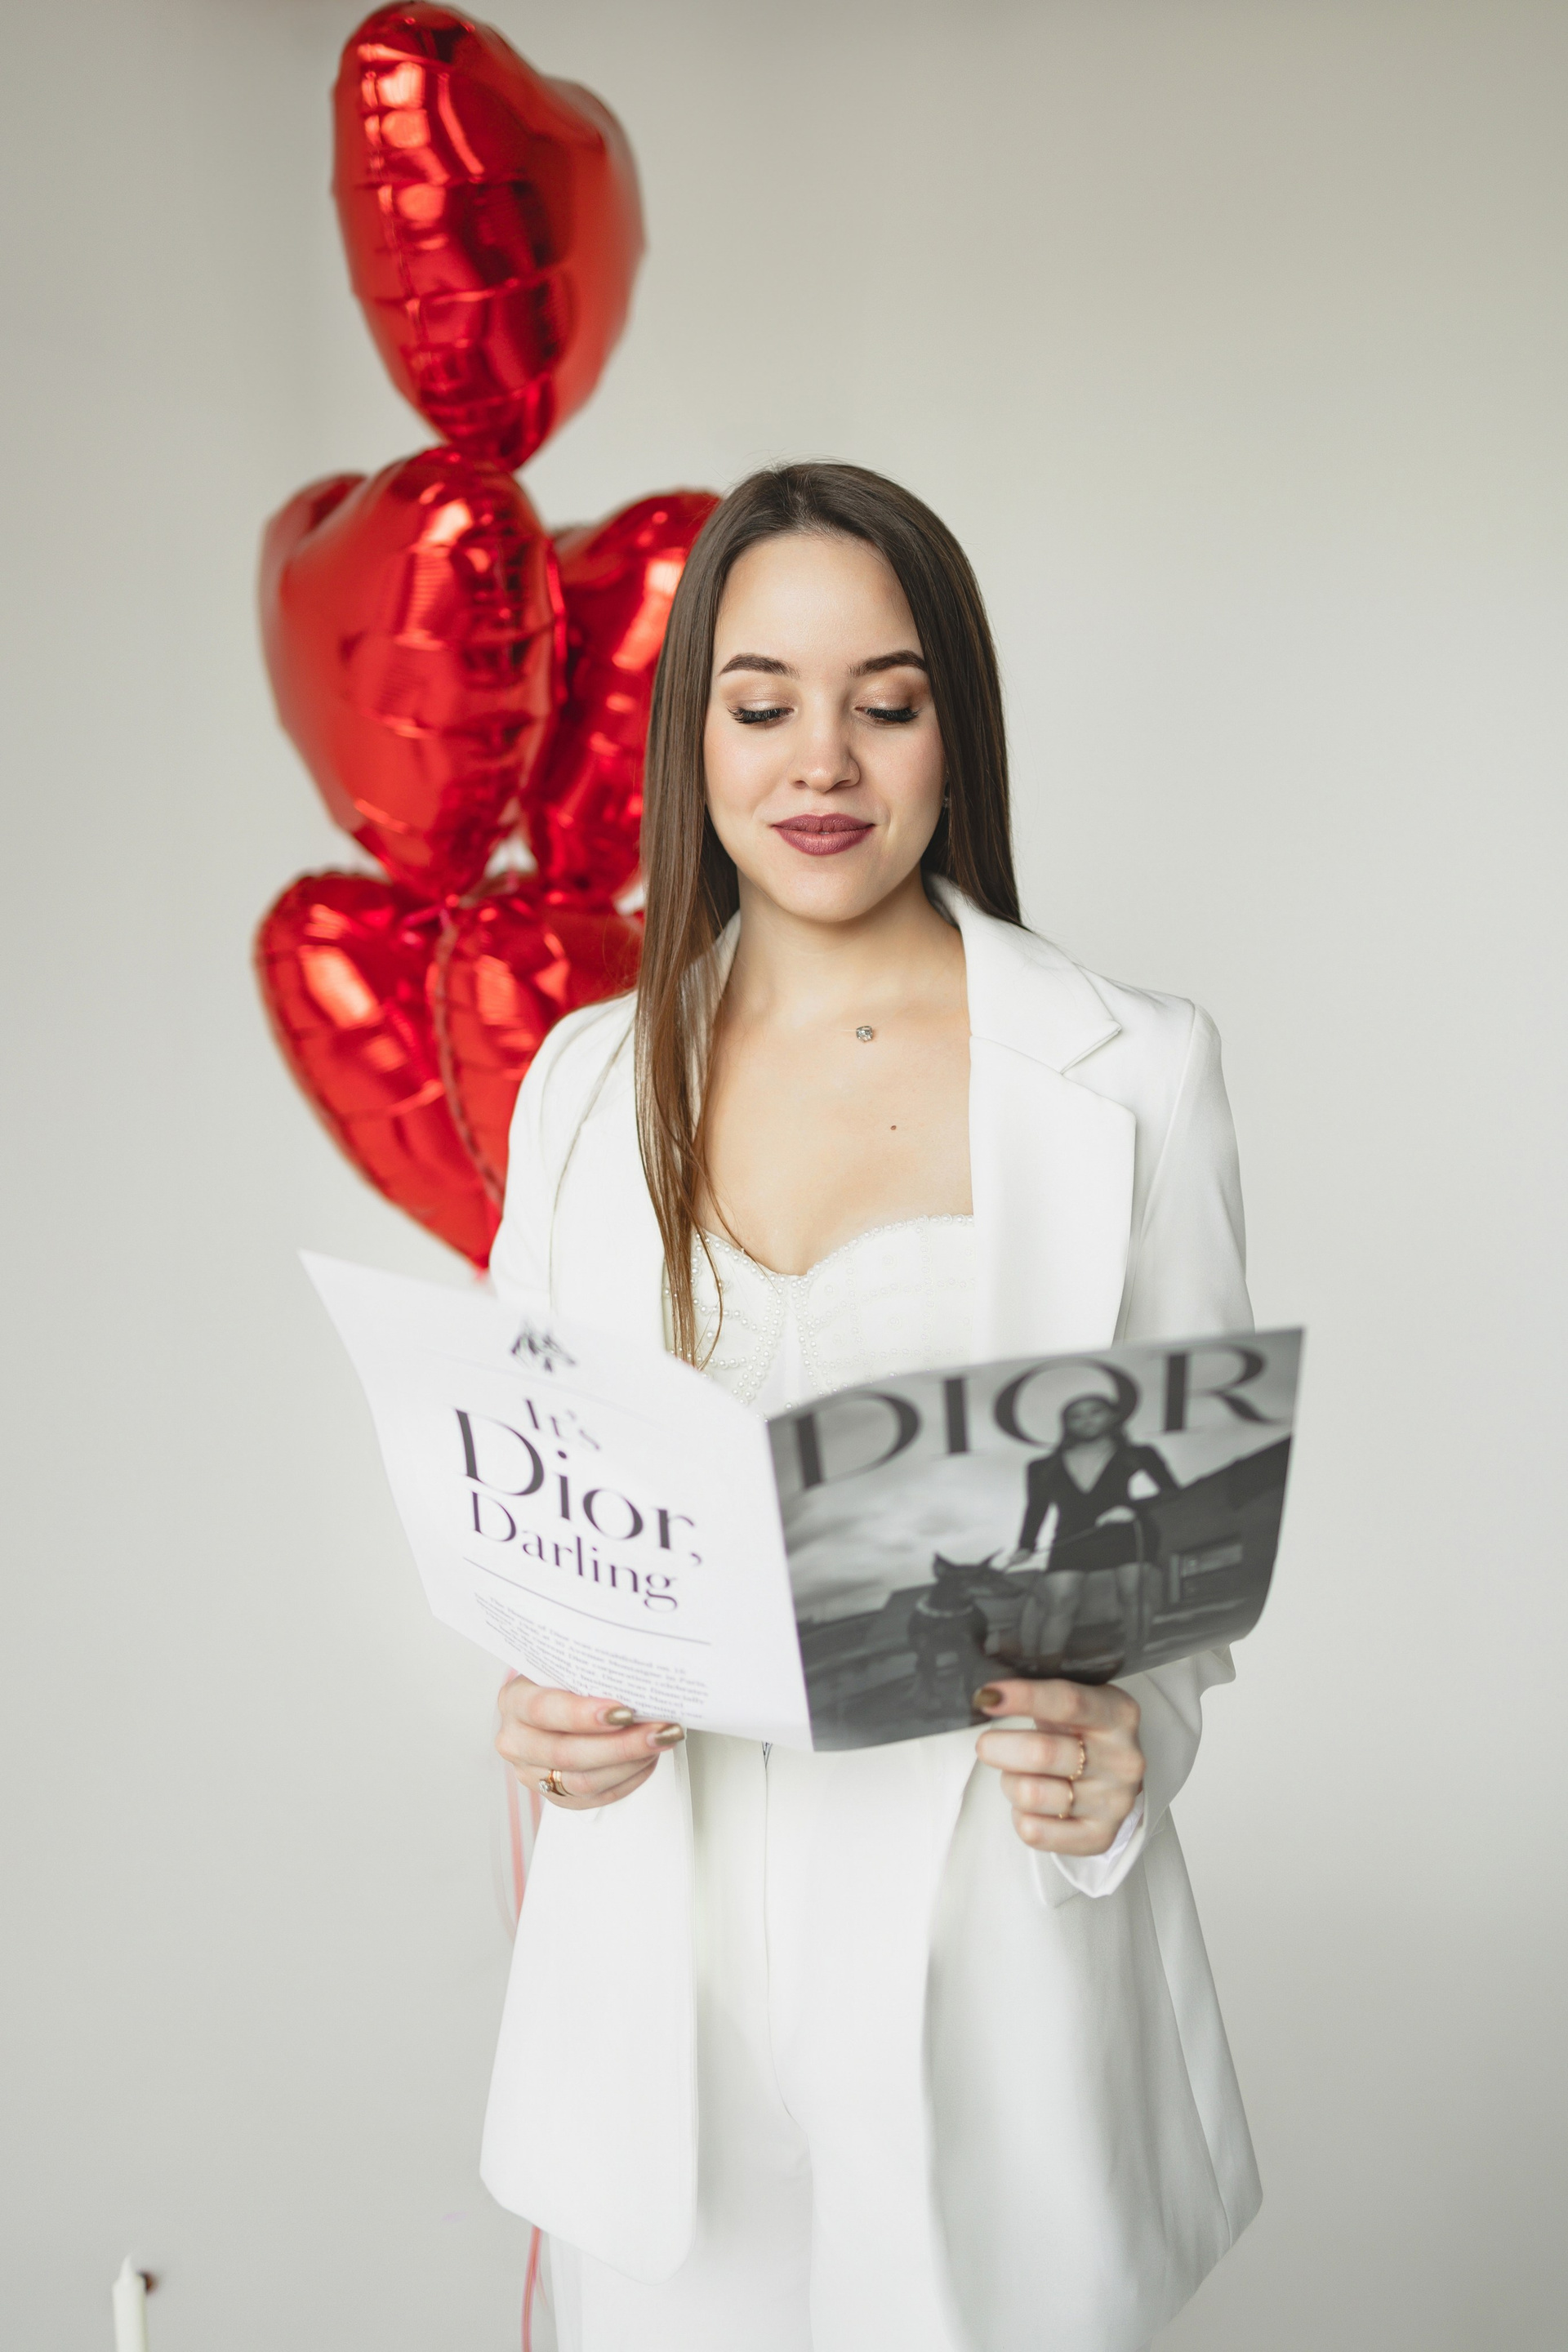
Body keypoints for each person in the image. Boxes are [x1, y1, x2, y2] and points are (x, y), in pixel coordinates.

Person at [482, 463, 1259, 2352]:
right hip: (664, 1972)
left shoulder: (1131, 1071)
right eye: (761, 704)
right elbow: (535, 1530)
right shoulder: (580, 1084)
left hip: (981, 1921)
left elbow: (1183, 1560)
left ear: (951, 729)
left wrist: (1124, 1757)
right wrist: (543, 1712)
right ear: (695, 735)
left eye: (883, 703)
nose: (819, 761)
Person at [1006, 1393, 1179, 1674]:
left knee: (1132, 1596)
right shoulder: (1041, 1467)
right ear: (1066, 1424)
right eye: (1076, 1416)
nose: (1086, 1420)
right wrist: (1026, 1545)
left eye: (1095, 1412)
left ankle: (1134, 1660)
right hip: (1071, 1538)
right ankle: (1048, 1671)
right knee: (1060, 1602)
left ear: (1113, 1416)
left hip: (1127, 1533)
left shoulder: (1139, 1454)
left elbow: (1170, 1491)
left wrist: (1132, 1508)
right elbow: (1036, 1508)